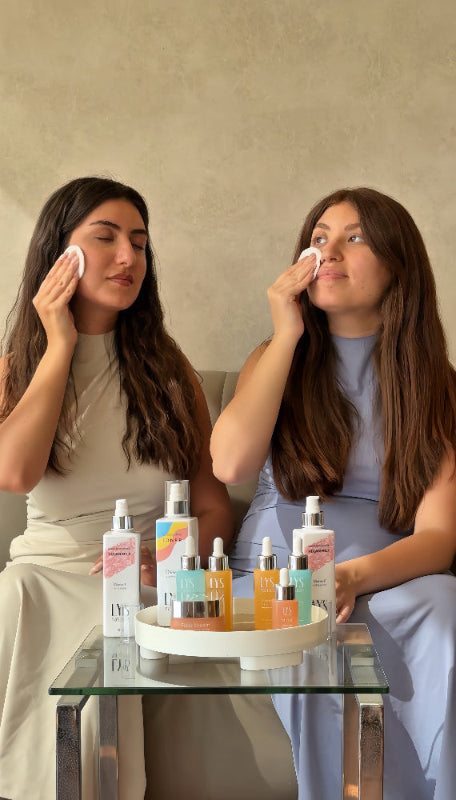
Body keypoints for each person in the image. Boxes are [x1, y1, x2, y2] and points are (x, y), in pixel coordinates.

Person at [210, 188, 456, 800]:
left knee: (445, 608)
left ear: (400, 264)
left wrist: (351, 578)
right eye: (320, 237)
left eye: (356, 236)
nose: (331, 250)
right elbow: (229, 461)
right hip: (277, 580)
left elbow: (439, 539)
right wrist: (285, 332)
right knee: (300, 622)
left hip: (382, 582)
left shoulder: (437, 387)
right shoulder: (274, 358)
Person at [0, 176, 234, 800]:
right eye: (104, 238)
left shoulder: (168, 371)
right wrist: (58, 346)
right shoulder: (19, 366)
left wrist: (170, 558)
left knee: (112, 620)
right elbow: (14, 474)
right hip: (40, 576)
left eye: (140, 242)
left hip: (134, 580)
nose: (128, 257)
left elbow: (212, 505)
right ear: (59, 252)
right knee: (17, 593)